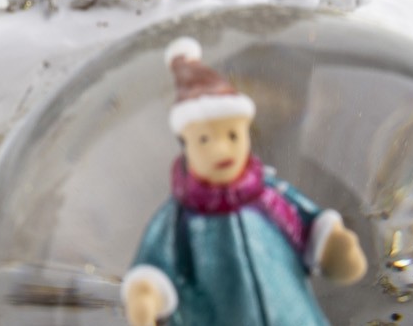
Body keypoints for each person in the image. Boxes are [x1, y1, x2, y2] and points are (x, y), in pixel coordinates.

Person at [123, 38, 367, 325]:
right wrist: (146, 295)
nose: (221, 150)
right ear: (186, 144)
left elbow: (309, 226)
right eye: (205, 140)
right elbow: (156, 263)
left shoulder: (271, 196)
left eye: (232, 136)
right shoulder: (179, 219)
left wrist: (332, 247)